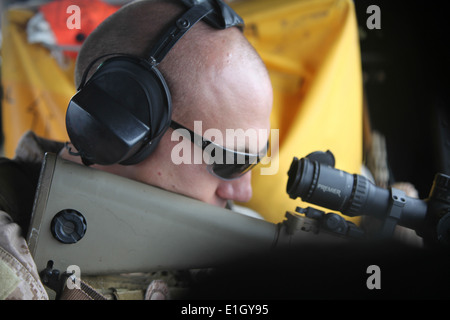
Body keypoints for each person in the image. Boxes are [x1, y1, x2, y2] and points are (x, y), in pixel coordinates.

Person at [0, 0, 273, 300]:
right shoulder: (9, 261)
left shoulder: (240, 239)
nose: (242, 192)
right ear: (121, 125)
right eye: (228, 162)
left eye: (253, 162)